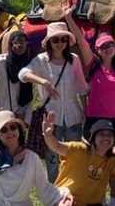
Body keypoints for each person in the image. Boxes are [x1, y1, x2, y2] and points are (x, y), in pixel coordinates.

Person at [62, 3, 115, 206]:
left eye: (111, 46)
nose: (108, 49)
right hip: (95, 119)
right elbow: (81, 41)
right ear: (97, 50)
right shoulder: (93, 64)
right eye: (103, 47)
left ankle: (114, 200)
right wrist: (69, 18)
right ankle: (92, 196)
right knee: (93, 160)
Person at [18, 22, 89, 181]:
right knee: (52, 157)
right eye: (55, 40)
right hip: (51, 117)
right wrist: (43, 82)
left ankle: (72, 189)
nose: (60, 43)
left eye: (63, 39)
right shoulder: (41, 60)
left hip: (73, 116)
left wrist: (85, 111)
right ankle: (54, 192)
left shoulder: (74, 60)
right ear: (49, 42)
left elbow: (82, 87)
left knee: (74, 154)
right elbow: (22, 74)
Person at [0, 30, 34, 122]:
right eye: (16, 42)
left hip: (21, 112)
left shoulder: (29, 63)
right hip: (1, 112)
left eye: (22, 42)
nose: (19, 46)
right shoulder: (1, 63)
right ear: (10, 44)